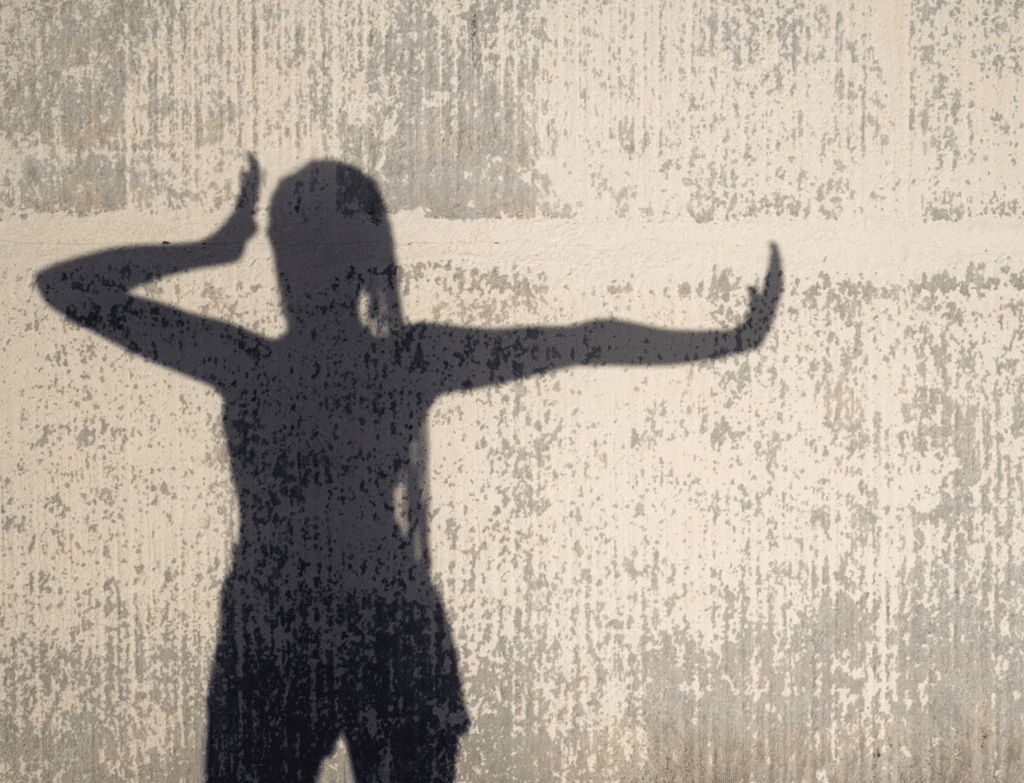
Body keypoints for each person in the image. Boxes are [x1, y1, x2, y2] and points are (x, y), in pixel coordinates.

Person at [36, 156, 782, 783]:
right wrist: (729, 340)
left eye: (283, 246)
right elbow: (580, 341)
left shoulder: (250, 366)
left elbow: (68, 287)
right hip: (372, 623)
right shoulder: (400, 361)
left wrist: (212, 244)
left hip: (284, 626)